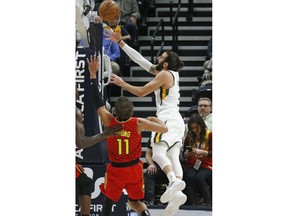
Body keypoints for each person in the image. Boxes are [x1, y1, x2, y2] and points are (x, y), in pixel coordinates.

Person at [105, 30, 187, 216]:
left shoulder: (165, 75)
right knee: (173, 156)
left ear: (165, 63)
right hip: (177, 120)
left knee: (157, 152)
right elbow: (141, 61)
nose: (157, 57)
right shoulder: (168, 74)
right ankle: (178, 193)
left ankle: (173, 181)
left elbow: (142, 92)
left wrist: (123, 84)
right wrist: (121, 43)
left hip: (166, 118)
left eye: (161, 57)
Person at [87, 54, 168, 216]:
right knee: (135, 203)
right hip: (134, 169)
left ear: (115, 112)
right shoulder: (138, 123)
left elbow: (98, 101)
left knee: (109, 202)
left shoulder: (109, 120)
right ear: (131, 111)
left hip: (116, 170)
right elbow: (164, 130)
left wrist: (93, 75)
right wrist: (155, 119)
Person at [76, 88, 122, 216]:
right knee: (85, 182)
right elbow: (81, 143)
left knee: (84, 180)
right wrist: (105, 134)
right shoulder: (76, 112)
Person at [182, 113, 212, 206]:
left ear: (201, 126)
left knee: (200, 178)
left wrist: (202, 152)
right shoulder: (189, 136)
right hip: (191, 164)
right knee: (189, 177)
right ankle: (191, 202)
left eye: (196, 128)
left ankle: (208, 202)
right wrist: (186, 154)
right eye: (192, 128)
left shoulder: (210, 135)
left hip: (206, 165)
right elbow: (184, 155)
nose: (194, 130)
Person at [143, 141, 168, 206]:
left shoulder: (173, 136)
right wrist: (151, 164)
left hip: (171, 166)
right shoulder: (153, 136)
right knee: (150, 172)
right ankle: (149, 199)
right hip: (157, 166)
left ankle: (168, 199)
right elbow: (148, 154)